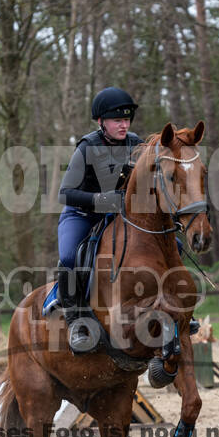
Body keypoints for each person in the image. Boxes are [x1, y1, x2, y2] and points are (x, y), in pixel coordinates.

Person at [57, 87, 143, 353]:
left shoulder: (135, 143)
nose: (124, 125)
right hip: (82, 215)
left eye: (126, 120)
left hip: (120, 217)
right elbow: (66, 194)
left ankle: (178, 314)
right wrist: (102, 200)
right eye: (117, 120)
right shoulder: (87, 147)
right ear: (101, 122)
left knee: (170, 244)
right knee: (70, 257)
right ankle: (75, 321)